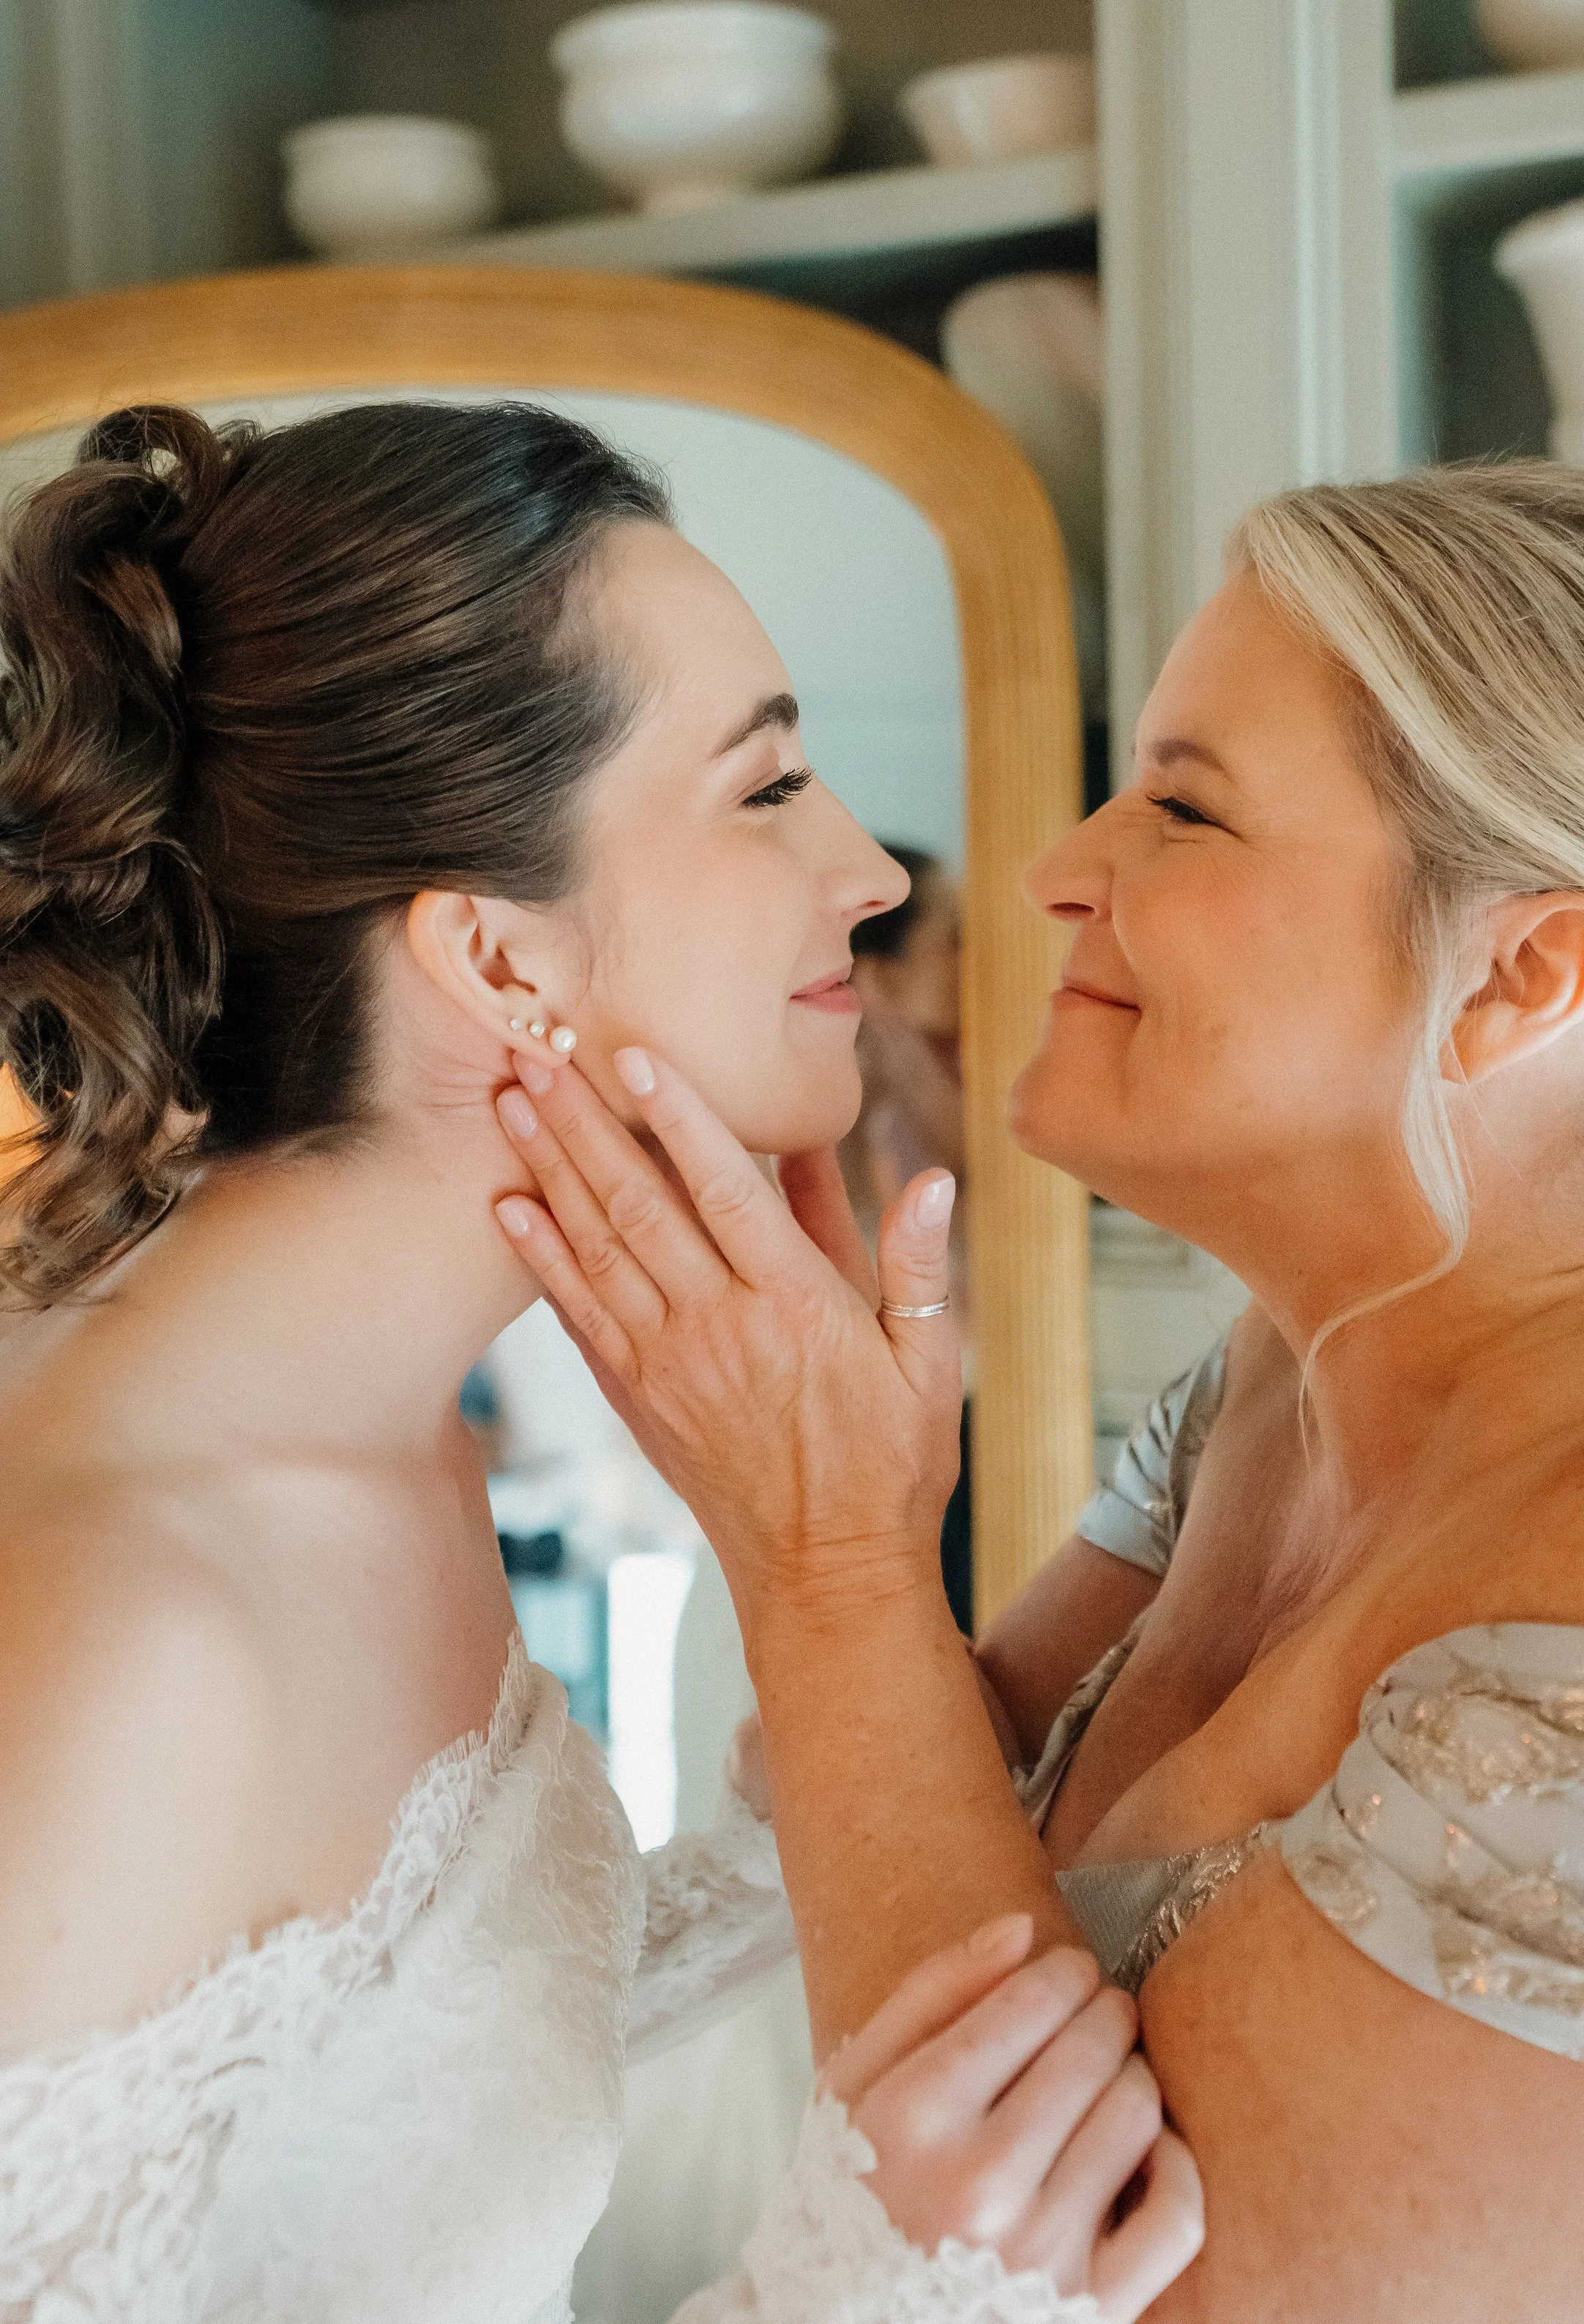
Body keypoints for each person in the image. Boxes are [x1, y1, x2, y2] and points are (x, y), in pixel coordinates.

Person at [504, 458, 1584, 2323]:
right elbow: (921, 1815)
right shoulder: (1284, 1381)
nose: (1059, 868)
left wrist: (825, 1552)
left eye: (1185, 809)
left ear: (1519, 972)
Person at [0, 402, 1203, 2323]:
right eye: (765, 785)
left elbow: (372, 2064)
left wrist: (831, 1732)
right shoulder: (131, 1610)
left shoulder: (378, 1430)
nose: (868, 872)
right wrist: (859, 2289)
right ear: (494, 958)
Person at [842, 845, 976, 1627]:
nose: (979, 956)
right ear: (880, 977)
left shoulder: (952, 1089)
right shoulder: (846, 1118)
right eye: (953, 938)